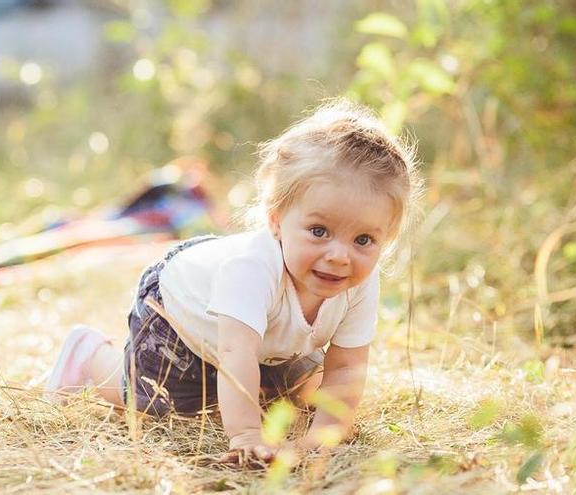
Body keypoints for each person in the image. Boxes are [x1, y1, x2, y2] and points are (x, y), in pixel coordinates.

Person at [45, 98, 421, 464]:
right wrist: (247, 436)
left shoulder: (357, 280)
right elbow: (234, 355)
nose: (340, 256)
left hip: (265, 339)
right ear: (275, 220)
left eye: (363, 240)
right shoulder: (252, 270)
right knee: (159, 402)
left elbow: (345, 368)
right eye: (319, 230)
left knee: (302, 394)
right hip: (179, 313)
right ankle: (91, 355)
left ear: (384, 238)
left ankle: (264, 384)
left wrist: (321, 438)